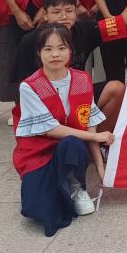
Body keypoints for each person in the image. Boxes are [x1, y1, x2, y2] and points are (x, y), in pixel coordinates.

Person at [13, 23, 113, 237]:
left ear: (70, 51)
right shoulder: (30, 86)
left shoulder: (82, 80)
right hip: (37, 152)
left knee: (72, 143)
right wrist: (96, 136)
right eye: (48, 49)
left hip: (71, 147)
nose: (55, 54)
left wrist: (100, 168)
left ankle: (76, 185)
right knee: (35, 208)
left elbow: (89, 125)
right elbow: (51, 130)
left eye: (62, 48)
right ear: (39, 53)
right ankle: (55, 185)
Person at [14, 0, 127, 133]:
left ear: (75, 12)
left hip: (79, 94)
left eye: (69, 11)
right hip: (46, 99)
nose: (64, 17)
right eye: (56, 12)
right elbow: (23, 86)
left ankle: (100, 140)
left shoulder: (85, 30)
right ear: (45, 14)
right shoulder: (30, 41)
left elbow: (120, 25)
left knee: (117, 89)